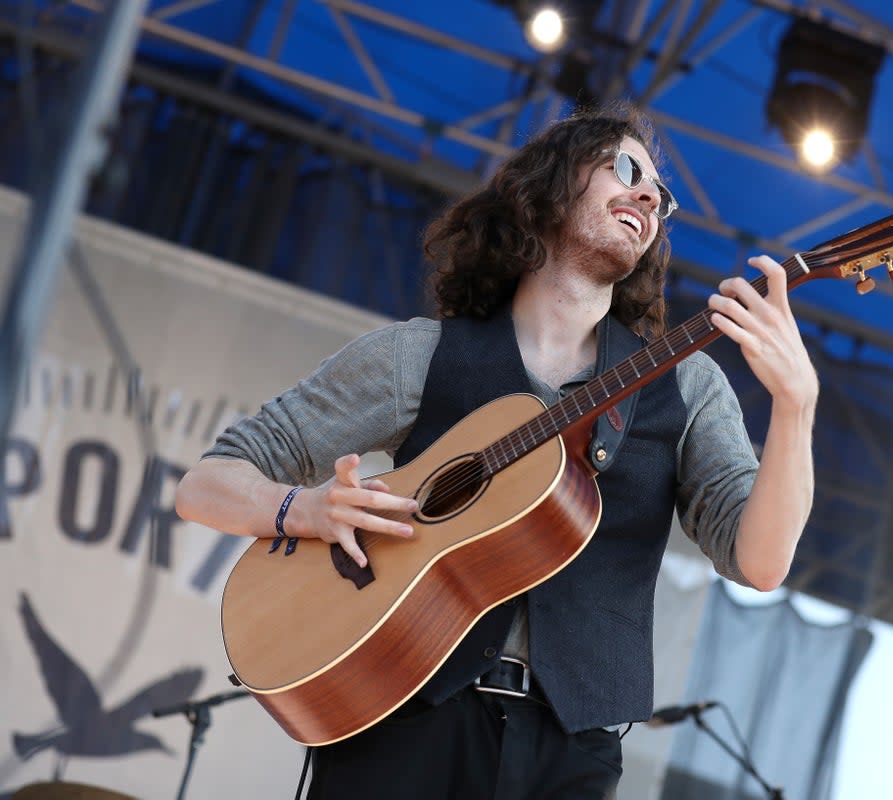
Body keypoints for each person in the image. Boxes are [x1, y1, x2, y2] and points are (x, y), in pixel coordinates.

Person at [175, 102, 819, 799]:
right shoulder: (418, 355)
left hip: (569, 753)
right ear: (546, 189)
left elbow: (760, 562)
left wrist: (796, 408)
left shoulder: (687, 385)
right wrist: (301, 509)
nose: (647, 197)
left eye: (661, 197)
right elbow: (205, 485)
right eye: (625, 169)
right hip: (401, 715)